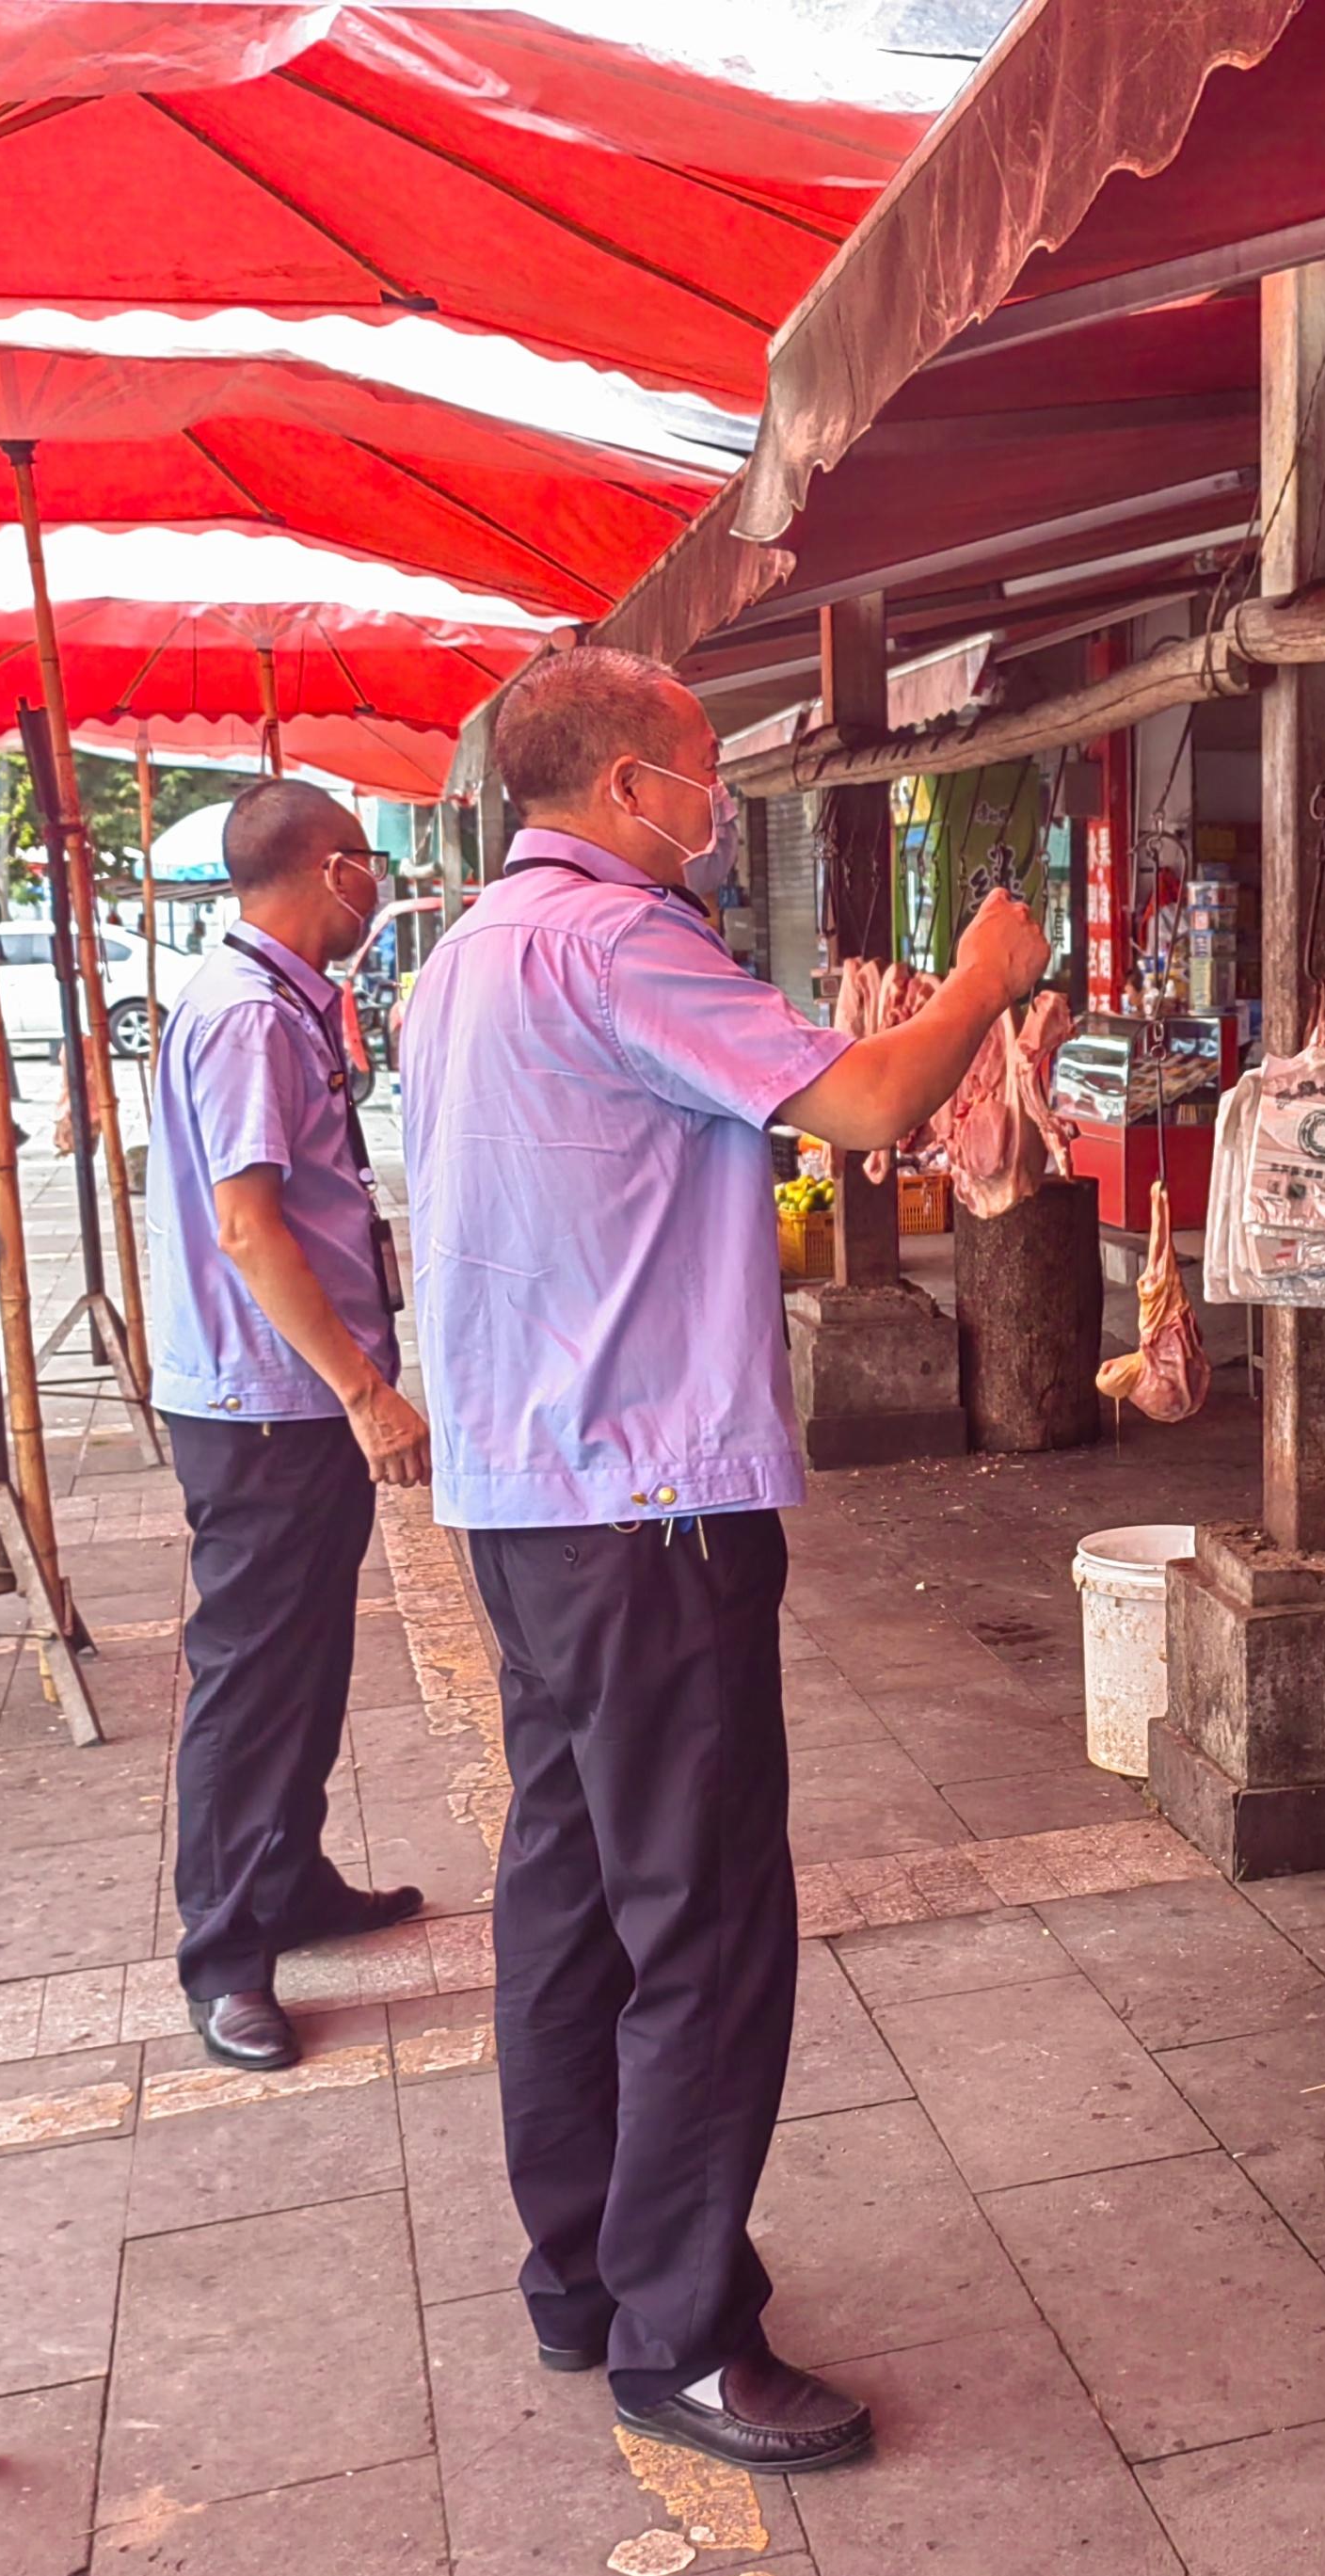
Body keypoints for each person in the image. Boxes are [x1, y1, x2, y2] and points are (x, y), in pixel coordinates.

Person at [402, 646, 1046, 2473]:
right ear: (622, 789)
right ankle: (681, 2336)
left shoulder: (466, 959)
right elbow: (860, 1106)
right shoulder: (619, 943)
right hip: (645, 1508)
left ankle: (581, 2278)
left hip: (530, 1507)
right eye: (700, 770)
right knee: (698, 1927)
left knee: (571, 1902)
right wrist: (988, 983)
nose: (719, 801)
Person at [145, 779, 430, 2072]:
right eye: (366, 864)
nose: (373, 887)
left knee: (304, 1662)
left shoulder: (276, 1005)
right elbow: (250, 1227)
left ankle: (290, 1880)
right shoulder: (250, 1017)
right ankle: (227, 1958)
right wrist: (364, 1391)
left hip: (286, 1399)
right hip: (269, 1402)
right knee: (255, 1680)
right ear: (326, 869)